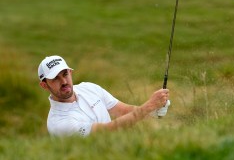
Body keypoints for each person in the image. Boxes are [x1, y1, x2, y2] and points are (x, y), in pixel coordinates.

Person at [38, 55, 170, 137]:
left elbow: (123, 111)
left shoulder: (89, 88)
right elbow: (108, 131)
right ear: (44, 85)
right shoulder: (59, 123)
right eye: (55, 78)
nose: (64, 82)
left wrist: (154, 111)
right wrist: (149, 105)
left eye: (65, 74)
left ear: (71, 73)